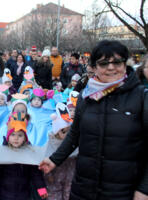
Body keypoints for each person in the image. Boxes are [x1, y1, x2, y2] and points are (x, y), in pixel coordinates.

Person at [39, 40, 148, 200]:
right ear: (94, 67)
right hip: (85, 186)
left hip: (123, 189)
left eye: (117, 62)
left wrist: (144, 189)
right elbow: (74, 134)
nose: (111, 67)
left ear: (125, 64)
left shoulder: (141, 97)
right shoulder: (86, 95)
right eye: (104, 63)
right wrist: (55, 159)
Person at [0, 111, 48, 200]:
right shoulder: (2, 152)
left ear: (24, 138)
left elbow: (35, 173)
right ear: (8, 137)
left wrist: (41, 187)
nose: (16, 138)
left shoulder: (29, 152)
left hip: (23, 193)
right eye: (13, 135)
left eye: (20, 135)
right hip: (5, 193)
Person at [45, 104, 76, 200]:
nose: (66, 134)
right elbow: (46, 158)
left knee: (69, 195)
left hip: (69, 178)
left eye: (69, 131)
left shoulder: (72, 142)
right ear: (56, 131)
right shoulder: (51, 142)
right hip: (54, 179)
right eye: (63, 131)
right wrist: (48, 175)